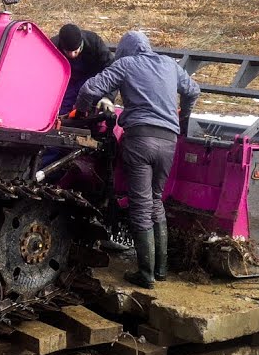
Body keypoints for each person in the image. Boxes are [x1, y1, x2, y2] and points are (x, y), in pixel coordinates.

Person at [75, 30, 201, 288]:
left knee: (140, 205)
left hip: (140, 140)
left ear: (124, 51)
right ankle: (161, 270)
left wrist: (82, 114)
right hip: (169, 141)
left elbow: (90, 88)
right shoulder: (169, 64)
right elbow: (193, 90)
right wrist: (183, 115)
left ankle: (145, 274)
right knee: (156, 201)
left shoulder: (126, 64)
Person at [52, 23, 114, 114]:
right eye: (67, 52)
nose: (72, 55)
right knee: (61, 109)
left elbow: (111, 70)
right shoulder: (52, 47)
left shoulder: (94, 42)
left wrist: (108, 97)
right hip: (67, 82)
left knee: (95, 108)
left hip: (92, 78)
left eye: (75, 51)